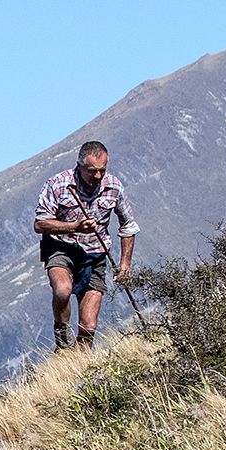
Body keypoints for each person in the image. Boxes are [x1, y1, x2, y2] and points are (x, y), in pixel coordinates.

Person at [31, 139, 139, 351]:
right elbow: (40, 224)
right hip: (61, 248)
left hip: (95, 254)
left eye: (102, 170)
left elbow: (128, 226)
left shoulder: (114, 187)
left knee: (88, 326)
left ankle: (75, 365)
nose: (97, 176)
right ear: (79, 166)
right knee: (62, 290)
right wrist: (74, 226)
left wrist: (125, 263)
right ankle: (62, 334)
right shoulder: (58, 184)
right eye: (92, 171)